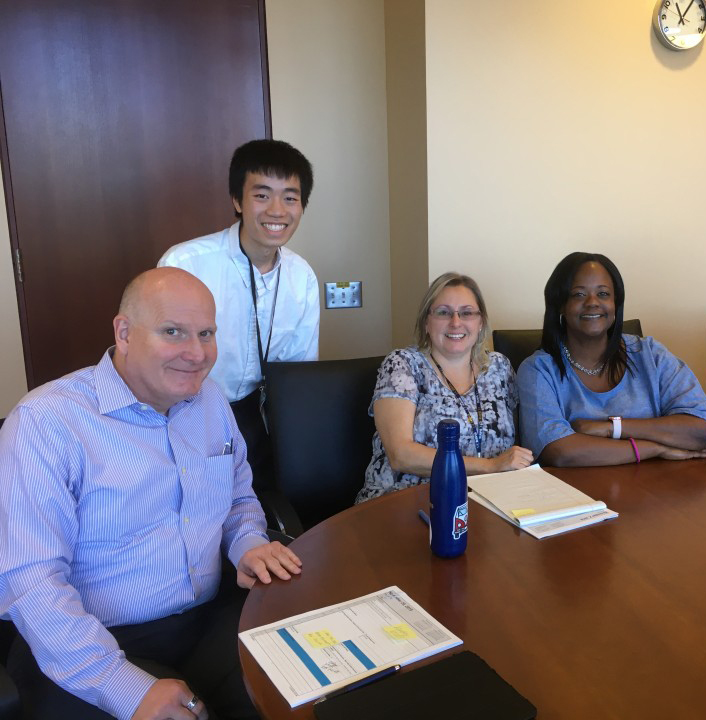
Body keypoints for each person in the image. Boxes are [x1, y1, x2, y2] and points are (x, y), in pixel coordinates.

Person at [0, 268, 302, 720]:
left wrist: (247, 542)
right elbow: (31, 582)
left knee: (300, 696)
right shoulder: (46, 423)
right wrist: (124, 688)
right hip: (90, 641)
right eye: (173, 332)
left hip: (208, 618)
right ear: (124, 333)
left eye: (206, 333)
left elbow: (239, 494)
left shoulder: (210, 401)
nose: (196, 353)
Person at [159, 139, 320, 490]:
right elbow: (160, 361)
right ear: (237, 200)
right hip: (190, 412)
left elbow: (299, 371)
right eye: (262, 195)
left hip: (262, 419)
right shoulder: (185, 264)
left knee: (262, 511)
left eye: (290, 198)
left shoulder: (301, 275)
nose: (277, 210)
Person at [517, 252, 706, 466]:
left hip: (658, 489)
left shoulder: (651, 354)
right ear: (561, 305)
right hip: (580, 495)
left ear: (615, 303)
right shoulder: (538, 370)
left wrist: (611, 428)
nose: (593, 303)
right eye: (578, 294)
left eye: (603, 294)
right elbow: (559, 451)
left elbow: (702, 431)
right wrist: (657, 448)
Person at [357, 273, 533, 502]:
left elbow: (517, 442)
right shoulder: (403, 364)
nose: (456, 322)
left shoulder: (499, 367)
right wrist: (490, 466)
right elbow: (401, 455)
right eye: (443, 312)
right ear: (426, 322)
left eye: (467, 312)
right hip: (403, 501)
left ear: (480, 323)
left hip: (487, 500)